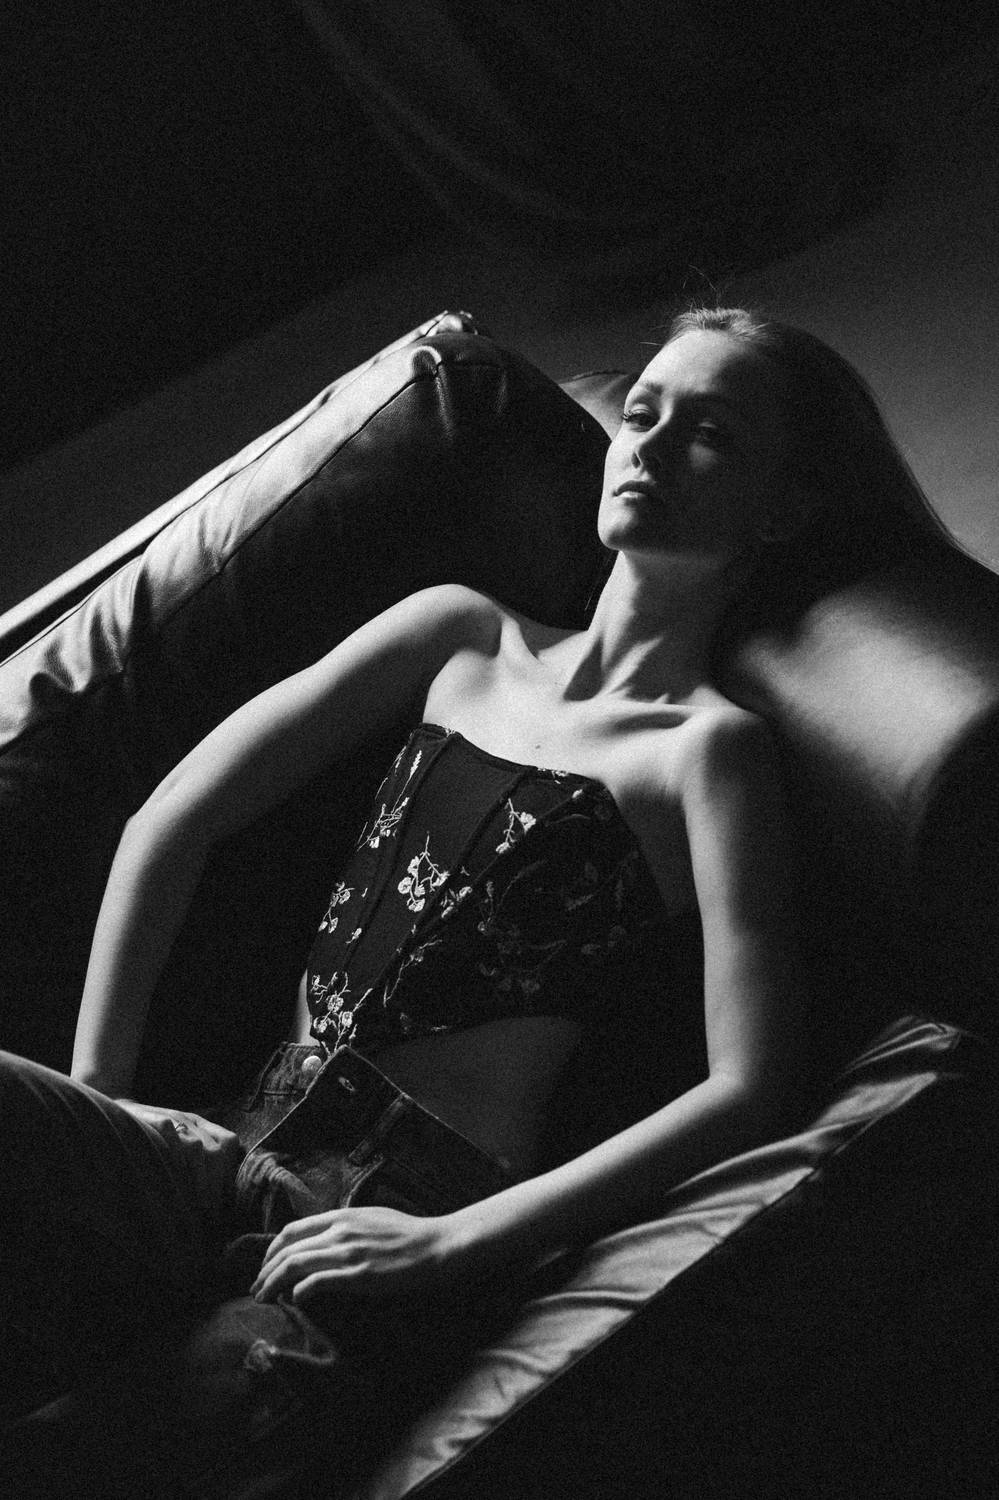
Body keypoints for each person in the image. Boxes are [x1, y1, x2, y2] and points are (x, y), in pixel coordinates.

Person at [2, 307, 932, 1472]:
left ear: (783, 508)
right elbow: (173, 821)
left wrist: (451, 1248)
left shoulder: (707, 752)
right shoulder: (461, 636)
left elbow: (750, 1086)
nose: (647, 443)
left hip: (394, 1228)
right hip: (221, 1148)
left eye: (710, 434)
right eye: (643, 411)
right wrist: (102, 1105)